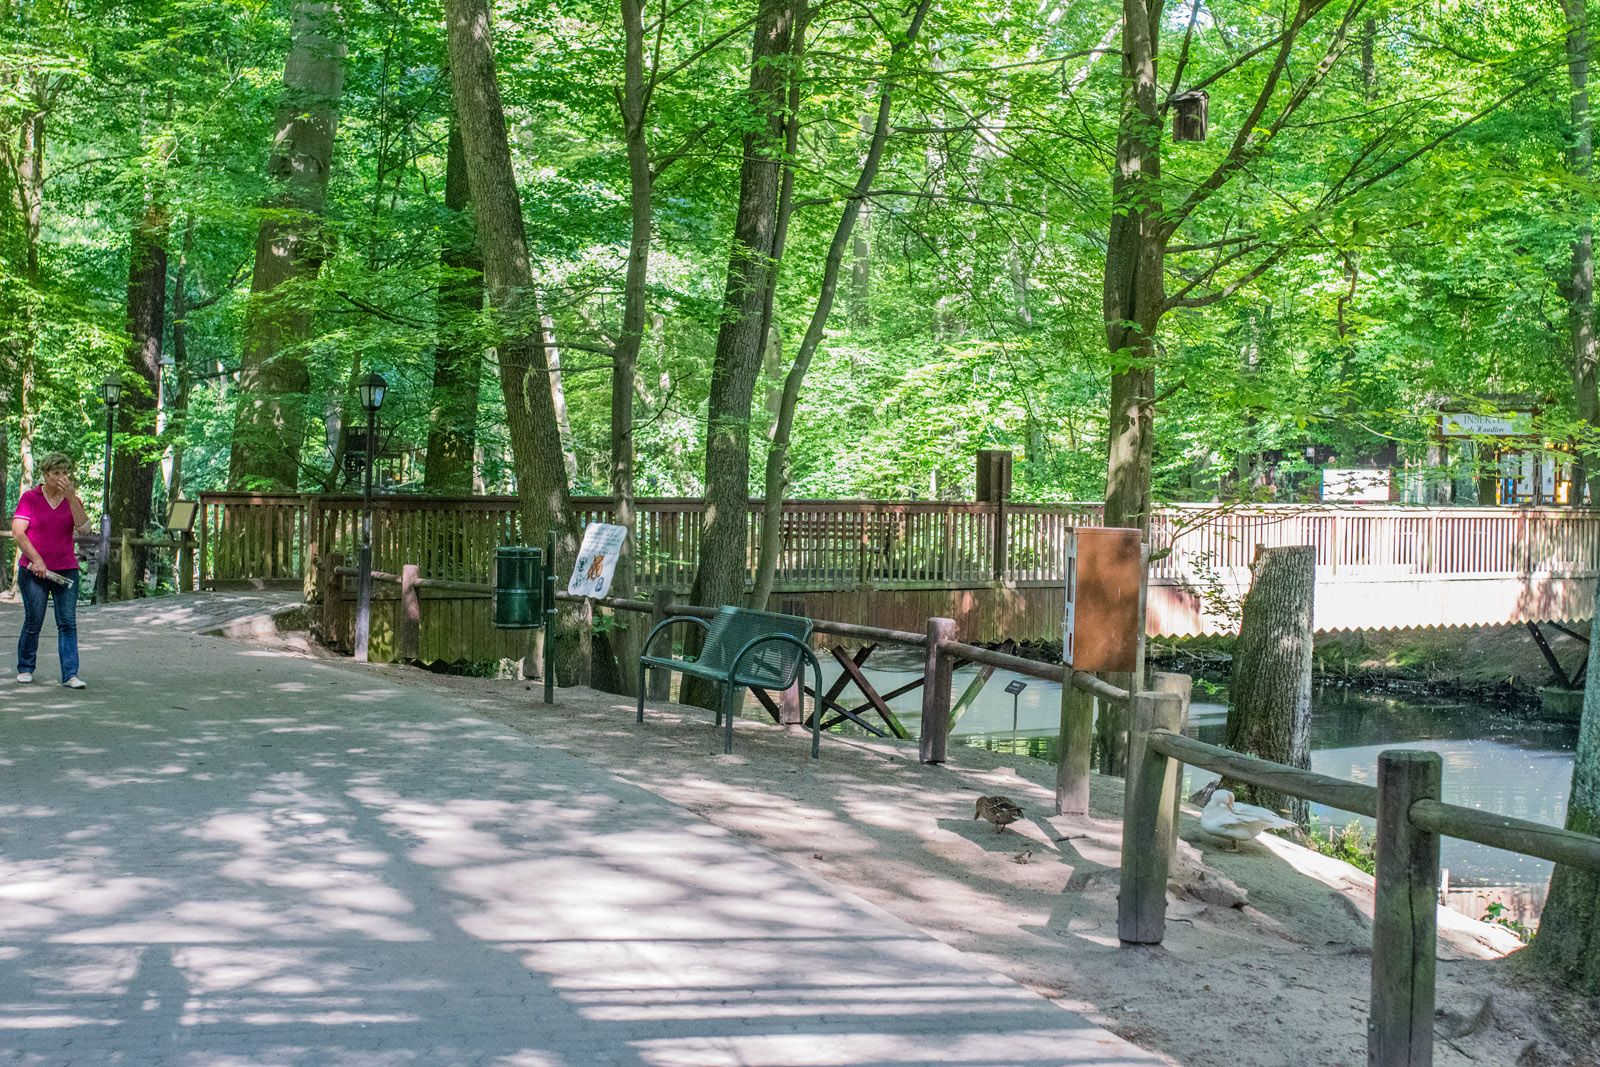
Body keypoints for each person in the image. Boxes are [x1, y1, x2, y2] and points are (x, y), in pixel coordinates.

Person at [12, 453, 93, 688]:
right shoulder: (30, 498)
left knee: (67, 622)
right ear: (46, 475)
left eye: (65, 473)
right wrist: (36, 559)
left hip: (65, 569)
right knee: (34, 619)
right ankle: (25, 667)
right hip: (33, 571)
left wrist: (71, 498)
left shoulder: (72, 500)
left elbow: (85, 528)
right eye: (56, 473)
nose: (61, 478)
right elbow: (18, 532)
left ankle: (70, 674)